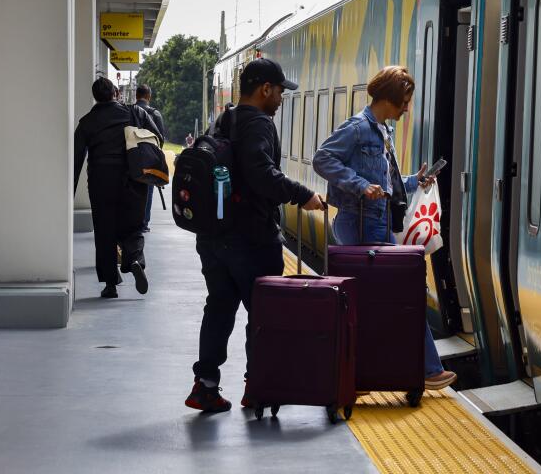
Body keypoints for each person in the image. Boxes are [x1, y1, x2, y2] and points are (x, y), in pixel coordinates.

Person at [185, 58, 324, 413]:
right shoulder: (259, 124)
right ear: (265, 89)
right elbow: (262, 174)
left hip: (214, 237)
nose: (280, 99)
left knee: (218, 308)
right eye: (279, 92)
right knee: (263, 314)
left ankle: (205, 386)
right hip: (251, 239)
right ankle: (258, 387)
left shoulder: (225, 119)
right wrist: (302, 194)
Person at [313, 65, 457, 391]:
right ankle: (424, 369)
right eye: (404, 101)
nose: (407, 108)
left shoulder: (383, 131)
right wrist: (359, 184)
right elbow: (322, 159)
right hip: (357, 223)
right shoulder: (357, 128)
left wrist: (414, 181)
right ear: (389, 99)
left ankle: (369, 373)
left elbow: (387, 186)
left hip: (376, 224)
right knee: (390, 295)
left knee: (383, 298)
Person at [74, 77, 162, 298]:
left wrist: (68, 193)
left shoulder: (87, 121)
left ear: (95, 96)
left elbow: (76, 158)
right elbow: (157, 137)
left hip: (101, 181)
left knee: (104, 231)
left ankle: (110, 284)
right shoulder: (134, 113)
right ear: (115, 93)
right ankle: (135, 260)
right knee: (133, 225)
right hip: (131, 177)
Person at [134, 84, 166, 232]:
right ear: (149, 97)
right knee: (148, 190)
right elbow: (161, 139)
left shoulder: (128, 111)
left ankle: (133, 221)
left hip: (132, 157)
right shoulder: (155, 114)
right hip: (150, 159)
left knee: (133, 189)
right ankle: (144, 223)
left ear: (136, 96)